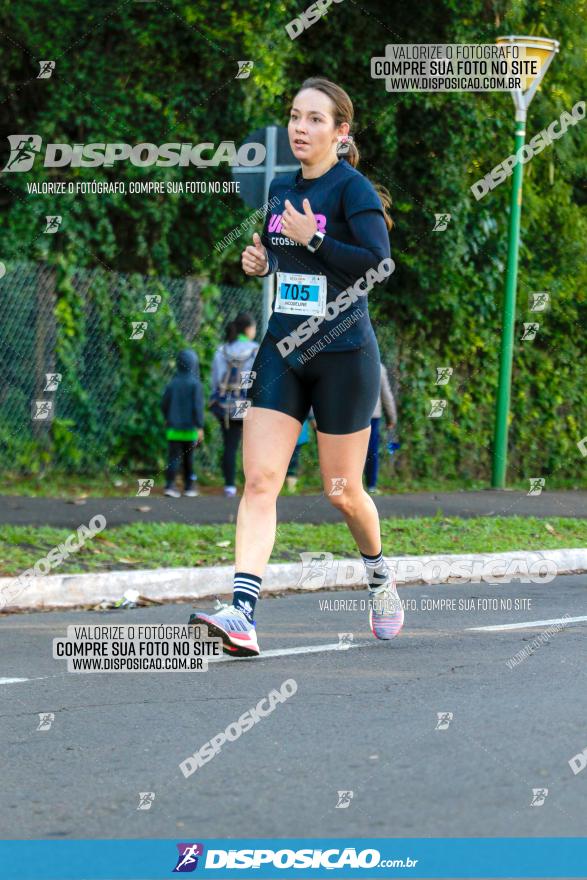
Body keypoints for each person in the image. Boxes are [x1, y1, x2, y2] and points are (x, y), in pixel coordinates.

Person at [191, 77, 403, 656]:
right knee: (261, 481)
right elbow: (288, 266)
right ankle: (242, 613)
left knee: (342, 491)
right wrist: (262, 263)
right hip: (284, 352)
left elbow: (377, 267)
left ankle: (380, 575)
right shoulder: (281, 191)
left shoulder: (351, 190)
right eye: (294, 116)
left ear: (341, 131)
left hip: (343, 357)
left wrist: (316, 239)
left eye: (314, 119)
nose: (299, 128)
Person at [209, 312, 259, 497]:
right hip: (245, 402)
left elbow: (214, 380)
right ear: (248, 329)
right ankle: (253, 485)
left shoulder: (221, 350)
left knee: (230, 443)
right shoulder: (255, 350)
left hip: (224, 403)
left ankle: (229, 486)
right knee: (252, 445)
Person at [162, 349, 204, 498]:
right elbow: (198, 407)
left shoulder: (172, 383)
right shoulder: (195, 384)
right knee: (189, 459)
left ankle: (170, 486)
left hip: (173, 429)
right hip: (190, 430)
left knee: (173, 458)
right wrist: (200, 426)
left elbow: (164, 403)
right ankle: (189, 487)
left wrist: (167, 417)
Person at [364, 363, 397, 493]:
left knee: (351, 450)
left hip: (351, 415)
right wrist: (392, 418)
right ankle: (371, 485)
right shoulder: (379, 367)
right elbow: (386, 395)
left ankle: (348, 486)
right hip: (372, 415)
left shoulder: (346, 363)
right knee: (371, 451)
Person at [285, 412, 316, 492]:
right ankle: (290, 489)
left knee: (291, 463)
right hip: (295, 435)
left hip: (295, 435)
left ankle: (290, 489)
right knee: (292, 463)